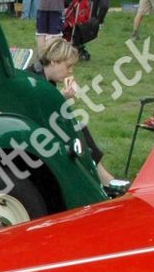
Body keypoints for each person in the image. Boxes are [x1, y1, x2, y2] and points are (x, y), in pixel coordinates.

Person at [33, 37, 121, 191]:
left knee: (78, 126)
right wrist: (61, 98)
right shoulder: (36, 81)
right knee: (78, 128)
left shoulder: (44, 78)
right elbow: (41, 114)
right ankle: (102, 179)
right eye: (68, 66)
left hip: (40, 129)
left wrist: (62, 98)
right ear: (54, 61)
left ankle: (98, 176)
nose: (70, 71)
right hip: (36, 134)